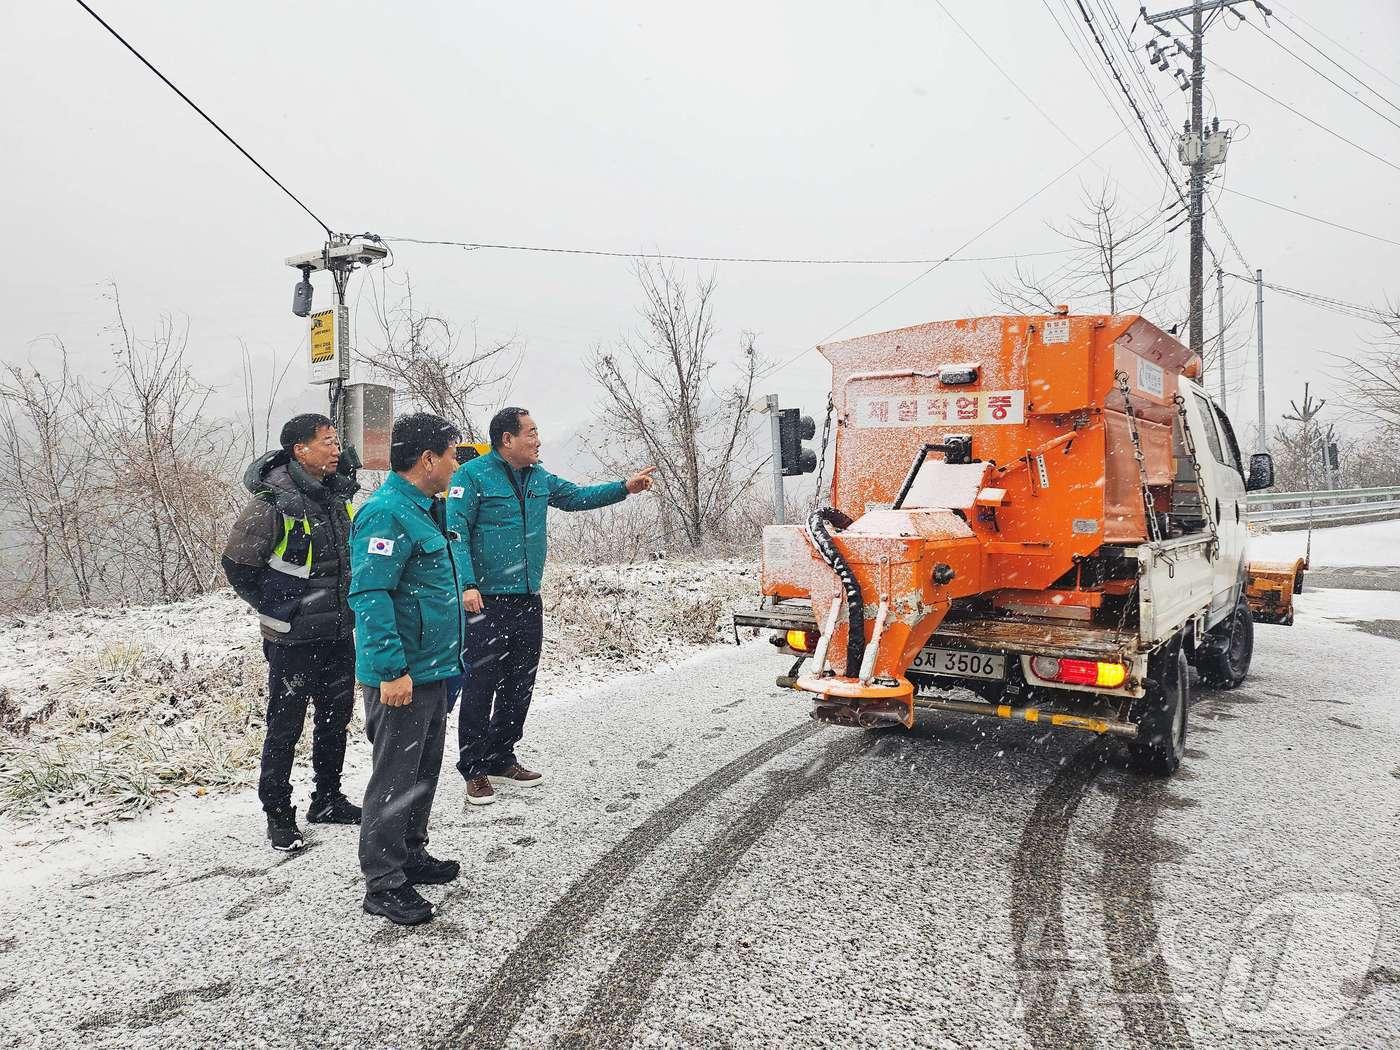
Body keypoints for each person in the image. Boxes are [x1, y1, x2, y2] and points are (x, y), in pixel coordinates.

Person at [447, 407, 654, 806]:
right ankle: (473, 767)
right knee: (481, 682)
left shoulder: (540, 477)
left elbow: (577, 497)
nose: (537, 440)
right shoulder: (471, 476)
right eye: (531, 433)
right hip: (485, 599)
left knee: (519, 681)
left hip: (527, 596)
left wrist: (624, 488)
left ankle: (501, 755)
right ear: (507, 440)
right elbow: (456, 533)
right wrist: (467, 584)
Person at [222, 413, 362, 852]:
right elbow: (238, 565)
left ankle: (327, 799)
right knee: (284, 727)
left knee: (335, 718)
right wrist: (281, 606)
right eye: (326, 441)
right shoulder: (272, 502)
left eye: (336, 439)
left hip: (340, 630)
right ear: (300, 450)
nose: (336, 448)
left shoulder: (340, 496)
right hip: (292, 637)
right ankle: (278, 814)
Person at [350, 412, 466, 926]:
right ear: (428, 460)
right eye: (452, 454)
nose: (456, 463)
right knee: (395, 774)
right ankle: (384, 880)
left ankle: (411, 852)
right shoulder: (386, 513)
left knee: (422, 769)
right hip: (403, 673)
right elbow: (370, 595)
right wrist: (392, 670)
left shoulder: (424, 509)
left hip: (433, 667)